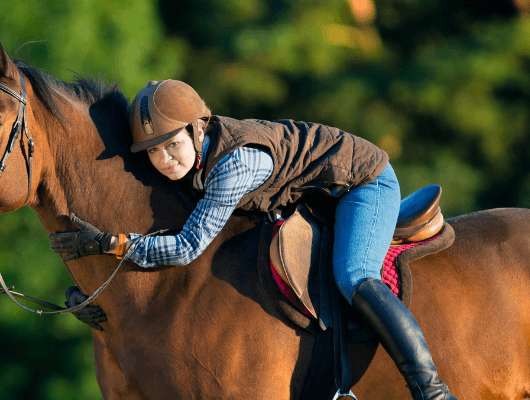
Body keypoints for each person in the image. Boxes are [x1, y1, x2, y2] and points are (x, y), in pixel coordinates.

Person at [49, 79, 457, 400]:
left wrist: (112, 245)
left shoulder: (233, 166)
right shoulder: (192, 161)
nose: (165, 161)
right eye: (153, 153)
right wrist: (95, 291)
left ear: (197, 130)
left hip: (364, 183)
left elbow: (187, 247)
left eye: (172, 145)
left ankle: (432, 390)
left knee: (354, 275)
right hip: (315, 191)